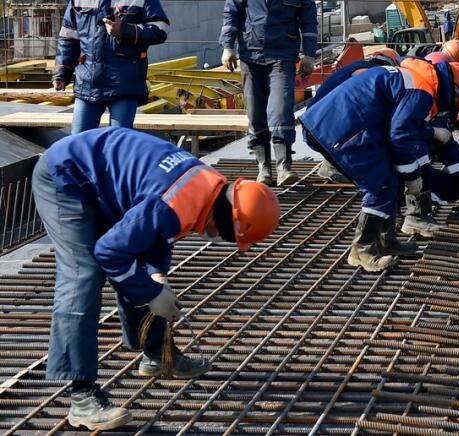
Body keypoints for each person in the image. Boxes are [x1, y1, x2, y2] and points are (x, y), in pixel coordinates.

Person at [31, 127, 279, 430]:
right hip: (65, 176)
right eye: (222, 234)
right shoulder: (173, 200)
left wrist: (157, 276)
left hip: (101, 178)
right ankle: (82, 396)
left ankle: (158, 355)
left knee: (142, 271)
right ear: (227, 220)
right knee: (84, 274)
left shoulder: (207, 186)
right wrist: (150, 292)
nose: (213, 236)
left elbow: (156, 232)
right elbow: (111, 250)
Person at [299, 60, 459, 271]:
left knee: (390, 178)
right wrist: (412, 177)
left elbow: (404, 126)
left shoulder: (418, 79)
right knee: (381, 185)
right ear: (453, 92)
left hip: (335, 124)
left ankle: (386, 239)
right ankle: (362, 250)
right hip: (341, 129)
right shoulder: (422, 91)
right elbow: (400, 135)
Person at [220, 0, 318, 187]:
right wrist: (227, 47)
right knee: (255, 112)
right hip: (251, 56)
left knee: (281, 108)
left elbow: (308, 22)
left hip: (282, 56)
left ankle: (284, 165)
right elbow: (231, 14)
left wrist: (309, 55)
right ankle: (263, 166)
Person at [53, 0, 170, 133]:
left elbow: (160, 30)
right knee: (80, 140)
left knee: (119, 141)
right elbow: (68, 37)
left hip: (124, 84)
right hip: (88, 83)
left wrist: (125, 31)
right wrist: (62, 71)